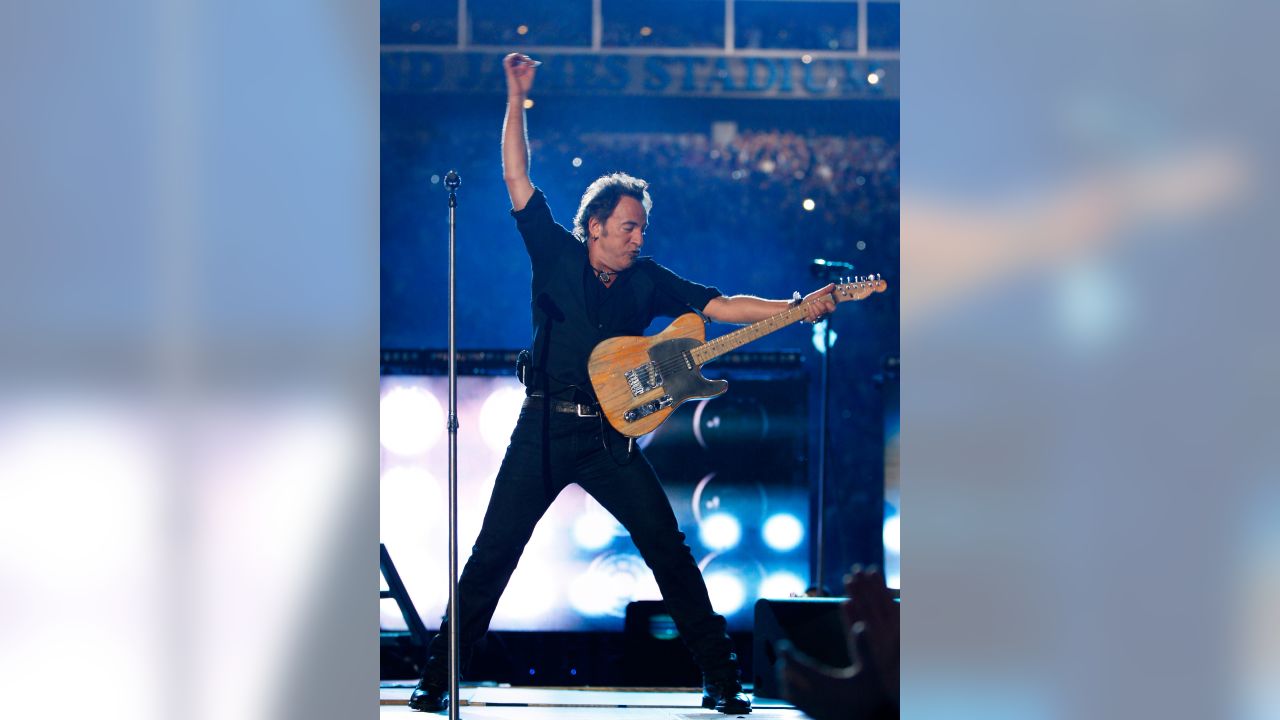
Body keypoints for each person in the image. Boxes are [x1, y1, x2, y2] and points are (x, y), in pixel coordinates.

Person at [408, 52, 840, 715]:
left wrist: (795, 308)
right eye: (629, 225)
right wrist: (515, 96)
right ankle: (437, 681)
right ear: (597, 225)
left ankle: (723, 683)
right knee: (493, 553)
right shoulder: (554, 253)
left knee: (669, 550)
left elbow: (720, 306)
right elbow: (516, 176)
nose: (638, 237)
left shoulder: (648, 278)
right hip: (543, 429)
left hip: (611, 440)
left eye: (642, 227)